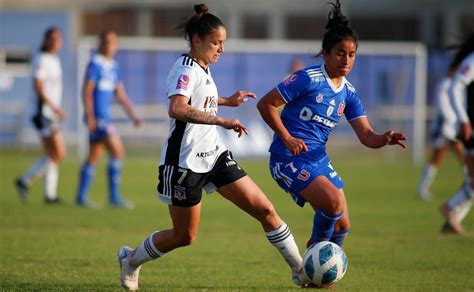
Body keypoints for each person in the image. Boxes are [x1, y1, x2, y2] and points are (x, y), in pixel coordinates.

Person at [116, 4, 308, 290]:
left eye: (223, 43)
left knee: (265, 210)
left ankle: (300, 271)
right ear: (197, 40)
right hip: (184, 164)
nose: (221, 49)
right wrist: (221, 120)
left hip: (215, 157)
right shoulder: (184, 69)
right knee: (185, 236)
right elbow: (178, 108)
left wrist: (226, 100)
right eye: (215, 42)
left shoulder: (203, 68)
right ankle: (131, 259)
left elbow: (199, 98)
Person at [257, 0, 406, 260]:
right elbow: (266, 104)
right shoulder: (307, 79)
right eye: (340, 53)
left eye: (351, 55)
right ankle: (314, 254)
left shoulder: (349, 94)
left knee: (343, 225)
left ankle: (321, 275)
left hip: (318, 159)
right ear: (325, 53)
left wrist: (384, 138)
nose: (346, 60)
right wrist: (287, 137)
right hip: (287, 158)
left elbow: (366, 136)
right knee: (333, 204)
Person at [75, 30, 142, 208]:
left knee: (93, 156)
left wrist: (133, 115)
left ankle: (81, 197)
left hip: (105, 118)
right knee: (118, 152)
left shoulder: (113, 66)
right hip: (99, 118)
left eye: (112, 42)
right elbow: (87, 91)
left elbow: (120, 94)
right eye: (106, 42)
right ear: (100, 44)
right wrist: (90, 117)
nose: (109, 46)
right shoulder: (95, 64)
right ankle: (113, 197)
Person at [15, 27, 65, 204]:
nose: (56, 42)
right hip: (43, 112)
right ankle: (26, 180)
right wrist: (53, 107)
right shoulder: (41, 58)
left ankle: (49, 195)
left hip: (51, 113)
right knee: (57, 152)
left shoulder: (55, 59)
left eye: (59, 39)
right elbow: (38, 85)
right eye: (52, 38)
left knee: (52, 154)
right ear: (45, 40)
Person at [416, 62, 466, 201]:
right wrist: (453, 120)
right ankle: (422, 187)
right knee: (438, 156)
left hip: (454, 127)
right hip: (445, 127)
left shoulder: (459, 86)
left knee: (462, 154)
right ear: (452, 70)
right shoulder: (445, 84)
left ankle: (469, 184)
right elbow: (442, 104)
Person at [440, 34, 474, 234]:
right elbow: (455, 86)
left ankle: (452, 217)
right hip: (471, 126)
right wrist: (463, 119)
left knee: (471, 179)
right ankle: (451, 209)